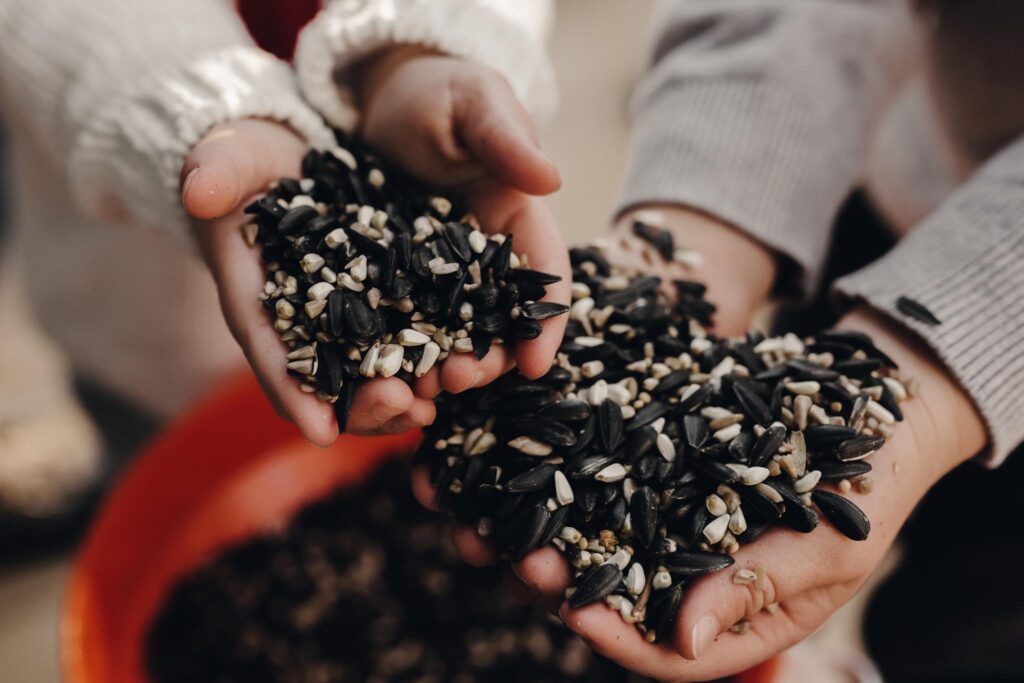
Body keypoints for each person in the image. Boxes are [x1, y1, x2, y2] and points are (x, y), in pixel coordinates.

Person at [410, 0, 1023, 680]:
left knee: (977, 627)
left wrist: (942, 376)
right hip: (891, 175)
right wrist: (708, 205)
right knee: (811, 431)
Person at [0, 0, 568, 526]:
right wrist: (195, 102)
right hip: (133, 326)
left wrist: (418, 48)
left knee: (427, 495)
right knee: (160, 486)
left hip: (415, 389)